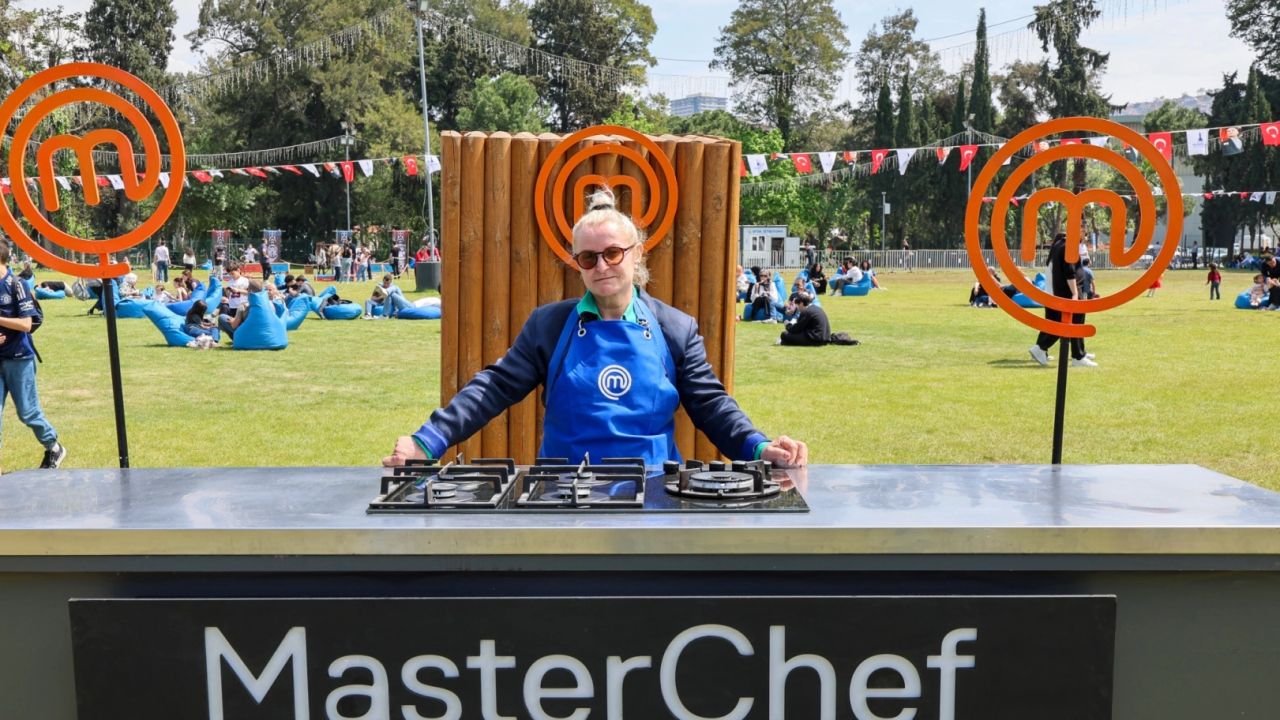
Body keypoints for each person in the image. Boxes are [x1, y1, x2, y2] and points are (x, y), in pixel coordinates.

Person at [382, 188, 807, 469]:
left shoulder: (675, 328)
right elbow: (492, 389)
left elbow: (712, 406)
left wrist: (759, 447)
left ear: (636, 254)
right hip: (563, 498)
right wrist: (429, 441)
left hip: (655, 499)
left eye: (613, 253)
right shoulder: (549, 326)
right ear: (576, 264)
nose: (601, 265)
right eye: (588, 258)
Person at [0, 242, 65, 472]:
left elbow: (27, 324)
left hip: (19, 358)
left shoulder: (16, 285)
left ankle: (53, 446)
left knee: (27, 412)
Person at [1029, 232, 1095, 368]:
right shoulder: (1066, 247)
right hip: (1065, 294)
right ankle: (1043, 348)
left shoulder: (1060, 246)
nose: (1085, 236)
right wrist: (1075, 293)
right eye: (1083, 232)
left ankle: (1079, 353)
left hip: (1058, 293)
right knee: (1066, 326)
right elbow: (1069, 271)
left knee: (1068, 323)